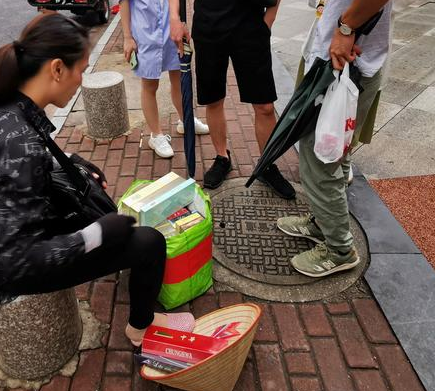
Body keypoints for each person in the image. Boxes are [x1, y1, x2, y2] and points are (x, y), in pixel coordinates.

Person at [0, 14, 194, 346]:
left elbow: (17, 165)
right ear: (56, 69)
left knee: (98, 206)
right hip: (10, 267)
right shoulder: (16, 144)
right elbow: (19, 262)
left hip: (2, 232)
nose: (81, 80)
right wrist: (95, 235)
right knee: (149, 242)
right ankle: (141, 326)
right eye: (80, 70)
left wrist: (69, 161)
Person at [277, 0, 392, 277]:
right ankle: (323, 223)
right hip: (340, 60)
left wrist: (345, 26)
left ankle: (339, 249)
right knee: (333, 153)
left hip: (345, 63)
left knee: (321, 158)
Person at [168, 0, 295, 198]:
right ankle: (222, 157)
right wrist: (174, 18)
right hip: (209, 26)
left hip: (251, 26)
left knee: (265, 105)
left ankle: (267, 165)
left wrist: (268, 21)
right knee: (213, 99)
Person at [119, 0, 209, 159]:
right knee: (150, 85)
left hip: (171, 29)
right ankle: (156, 135)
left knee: (179, 77)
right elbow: (123, 2)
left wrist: (181, 23)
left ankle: (185, 120)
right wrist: (127, 37)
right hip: (145, 32)